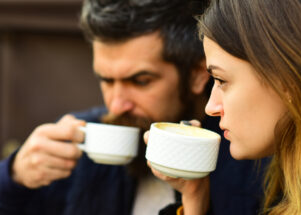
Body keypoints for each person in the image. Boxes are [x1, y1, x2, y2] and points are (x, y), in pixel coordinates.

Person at [0, 0, 266, 215]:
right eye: (106, 80)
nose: (116, 103)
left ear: (198, 73)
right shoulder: (77, 147)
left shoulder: (250, 158)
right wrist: (15, 177)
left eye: (140, 81)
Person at [150, 0, 301, 214]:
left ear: (291, 80)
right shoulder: (293, 187)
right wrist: (194, 197)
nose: (211, 108)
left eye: (221, 80)